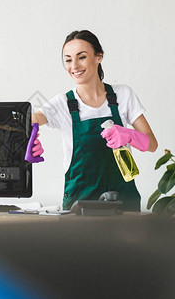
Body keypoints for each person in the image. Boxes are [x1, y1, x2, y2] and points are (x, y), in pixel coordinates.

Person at [28, 30, 158, 211]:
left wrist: (128, 135)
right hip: (80, 205)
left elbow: (152, 144)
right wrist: (31, 134)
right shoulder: (63, 103)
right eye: (68, 59)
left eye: (81, 57)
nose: (74, 66)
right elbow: (31, 118)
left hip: (124, 203)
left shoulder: (123, 95)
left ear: (99, 57)